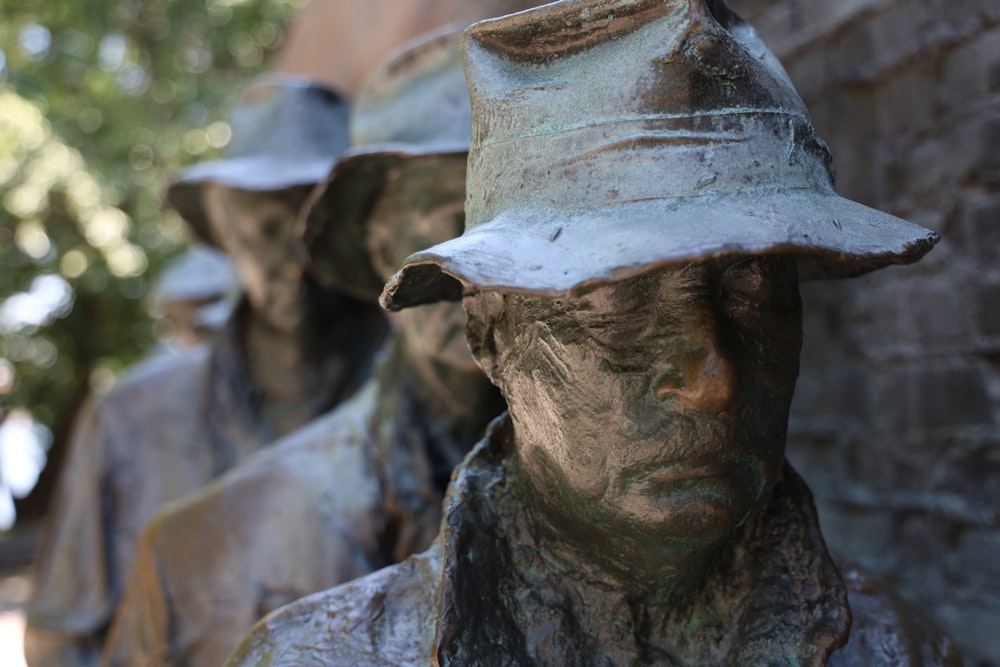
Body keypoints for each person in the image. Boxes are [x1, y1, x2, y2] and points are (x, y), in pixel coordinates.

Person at [228, 2, 960, 665]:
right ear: (492, 338)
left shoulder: (904, 650)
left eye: (755, 295)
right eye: (620, 307)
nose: (714, 380)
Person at [100, 27, 504, 667]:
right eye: (453, 220)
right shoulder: (197, 546)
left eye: (517, 220)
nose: (491, 266)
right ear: (377, 248)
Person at [24, 77, 388, 667]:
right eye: (269, 228)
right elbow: (64, 637)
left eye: (314, 228)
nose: (294, 260)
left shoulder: (424, 407)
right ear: (223, 230)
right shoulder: (130, 420)